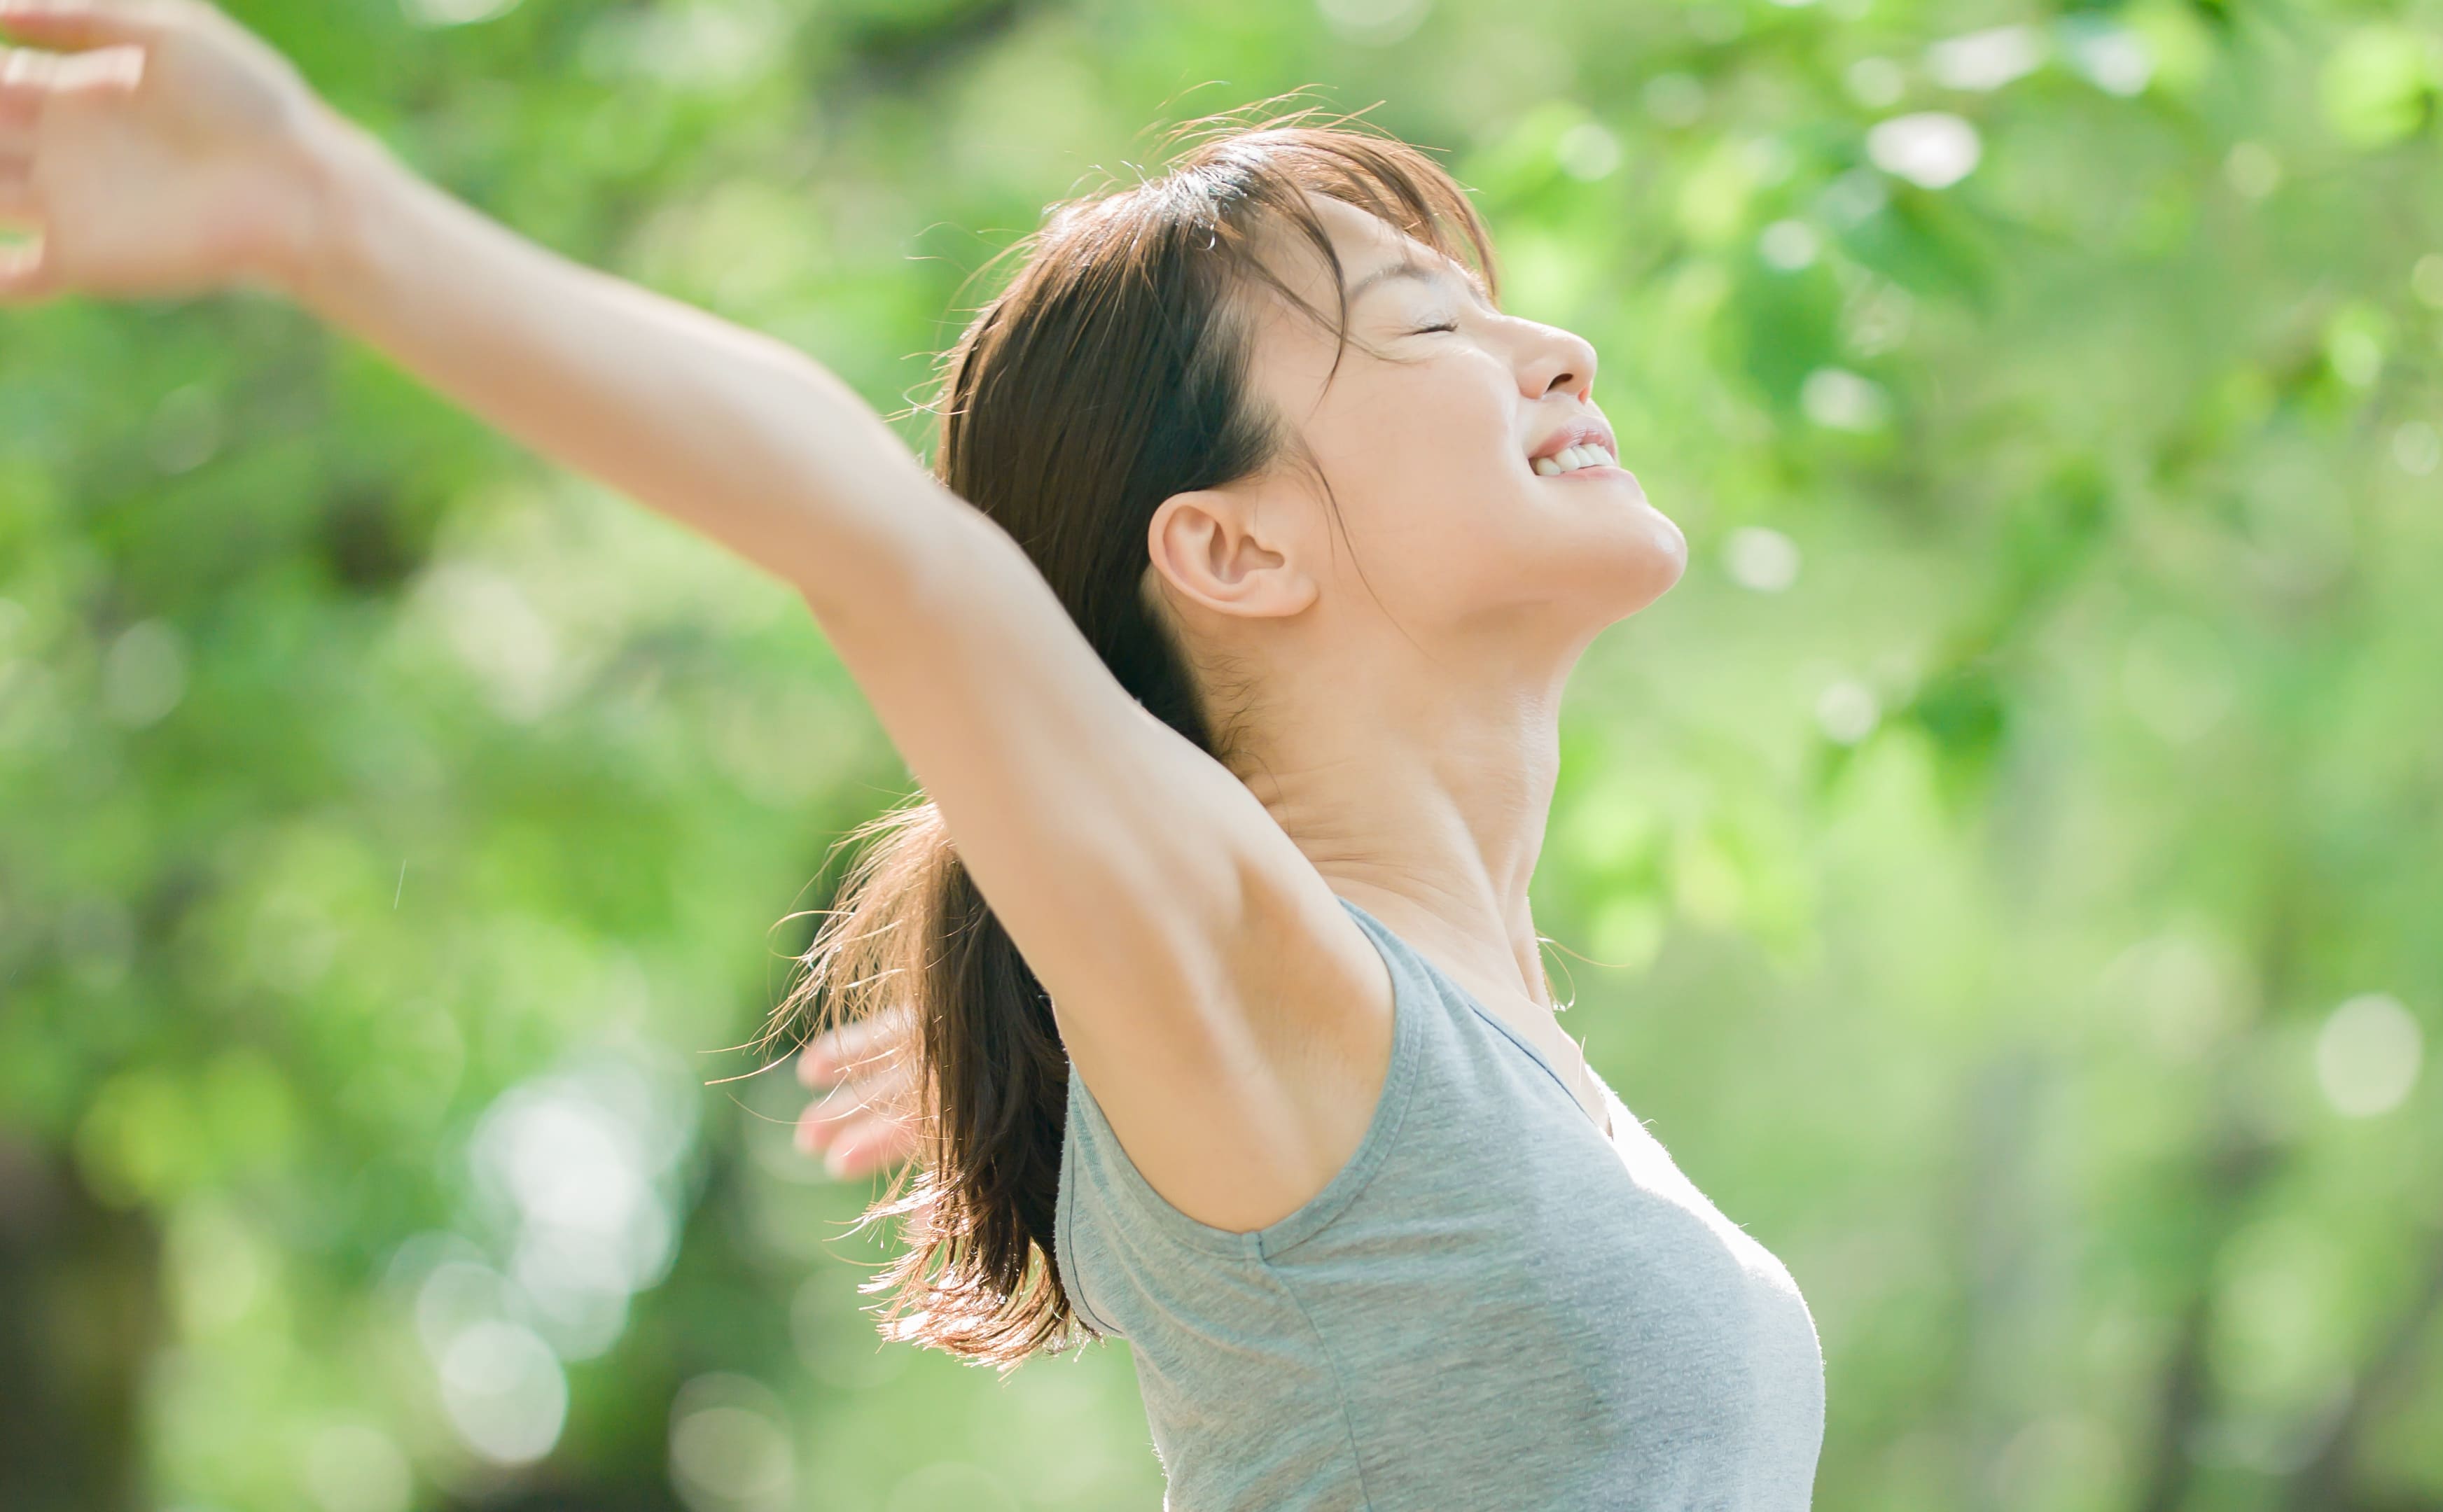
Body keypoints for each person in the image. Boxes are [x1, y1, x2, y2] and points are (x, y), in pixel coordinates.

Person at [4, 2, 1825, 1503]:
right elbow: (873, 537)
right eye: (1436, 327)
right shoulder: (1288, 991)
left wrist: (1075, 987)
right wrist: (315, 200)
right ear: (1231, 547)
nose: (1561, 348)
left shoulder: (1433, 1049)